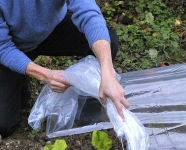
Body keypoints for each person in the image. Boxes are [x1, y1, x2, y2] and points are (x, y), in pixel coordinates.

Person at [0, 0, 129, 138]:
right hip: (12, 45)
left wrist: (107, 73)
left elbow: (89, 14)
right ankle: (20, 79)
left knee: (109, 41)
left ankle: (89, 113)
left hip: (50, 29)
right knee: (4, 125)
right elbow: (3, 47)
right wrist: (45, 75)